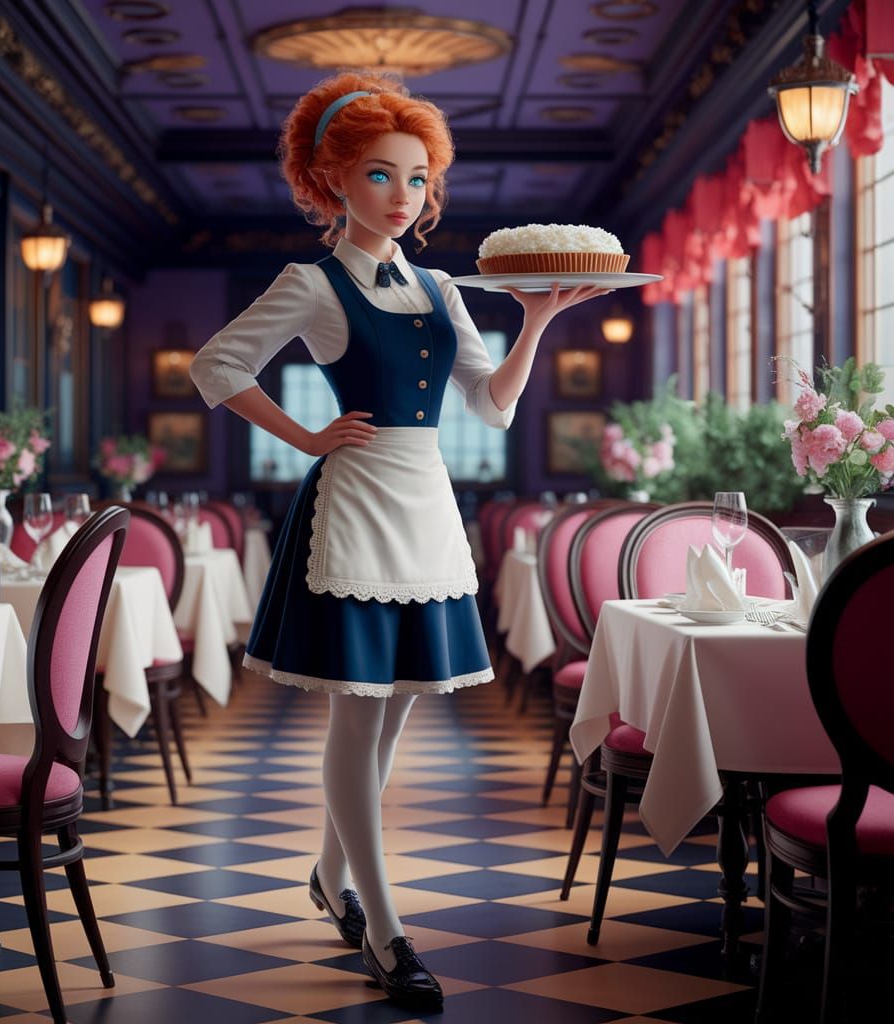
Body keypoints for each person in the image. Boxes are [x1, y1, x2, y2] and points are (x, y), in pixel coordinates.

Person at [190, 71, 609, 1010]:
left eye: (418, 178)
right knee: (358, 712)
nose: (404, 196)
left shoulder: (436, 287)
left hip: (426, 506)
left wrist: (534, 323)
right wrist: (304, 436)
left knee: (398, 708)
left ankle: (328, 876)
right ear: (331, 181)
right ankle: (384, 924)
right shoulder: (312, 282)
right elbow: (214, 364)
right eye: (381, 175)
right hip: (355, 505)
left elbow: (492, 410)